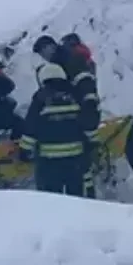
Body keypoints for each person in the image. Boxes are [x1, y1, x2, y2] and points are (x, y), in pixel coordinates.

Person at [17, 63, 96, 196]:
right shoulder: (75, 94)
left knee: (52, 201)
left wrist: (24, 150)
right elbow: (87, 122)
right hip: (75, 160)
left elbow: (31, 126)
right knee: (77, 199)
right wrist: (92, 143)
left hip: (49, 163)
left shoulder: (41, 97)